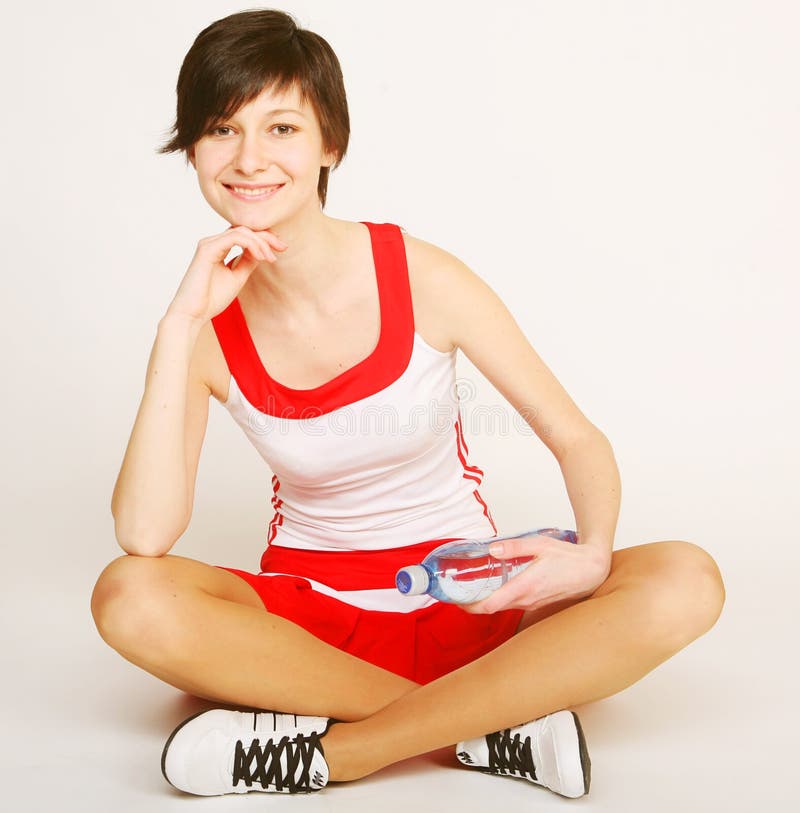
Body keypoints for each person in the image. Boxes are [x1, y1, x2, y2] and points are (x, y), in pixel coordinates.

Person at [90, 8, 725, 799]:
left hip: (472, 599)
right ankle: (490, 725)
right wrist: (179, 324)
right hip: (311, 629)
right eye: (222, 130)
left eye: (281, 128)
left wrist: (595, 548)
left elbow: (576, 436)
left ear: (331, 145)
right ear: (192, 150)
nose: (249, 159)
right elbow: (144, 533)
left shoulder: (422, 276)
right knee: (128, 595)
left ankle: (343, 751)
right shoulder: (207, 328)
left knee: (686, 578)